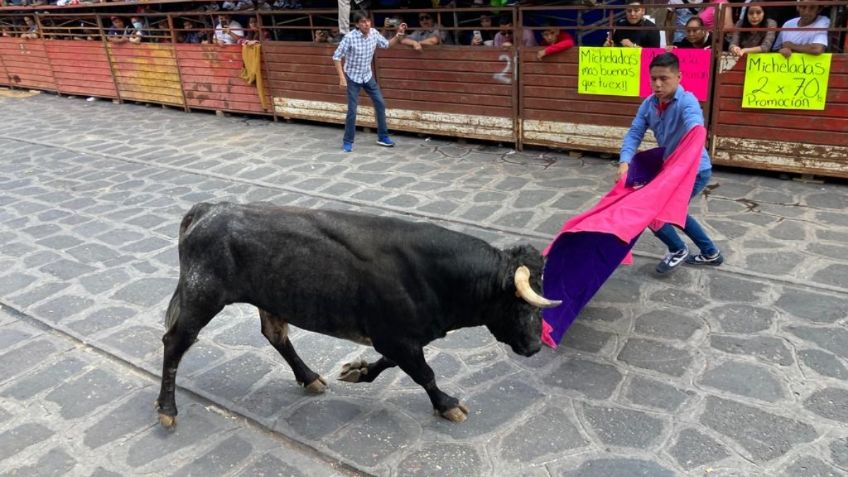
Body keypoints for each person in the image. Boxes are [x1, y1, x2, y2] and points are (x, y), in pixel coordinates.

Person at [617, 52, 723, 274]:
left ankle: (678, 249)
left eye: (664, 78)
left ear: (679, 77)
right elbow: (635, 132)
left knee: (656, 212)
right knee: (673, 212)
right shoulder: (649, 103)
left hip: (694, 170)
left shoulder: (688, 102)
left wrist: (696, 133)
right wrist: (625, 161)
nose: (657, 84)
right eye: (653, 78)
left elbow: (696, 127)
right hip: (670, 170)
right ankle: (710, 253)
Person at [332, 12, 406, 152]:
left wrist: (399, 34)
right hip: (352, 77)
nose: (366, 24)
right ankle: (348, 141)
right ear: (357, 24)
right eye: (363, 22)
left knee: (380, 103)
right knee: (352, 110)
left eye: (368, 21)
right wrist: (342, 77)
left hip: (367, 76)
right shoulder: (349, 38)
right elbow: (336, 57)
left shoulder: (373, 33)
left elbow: (387, 45)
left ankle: (383, 137)